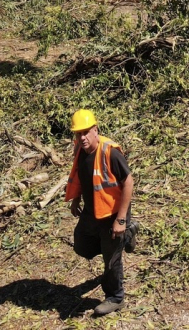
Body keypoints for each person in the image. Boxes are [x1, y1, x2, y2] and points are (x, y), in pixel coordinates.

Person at [64, 109, 136, 317]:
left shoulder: (109, 152)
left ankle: (115, 297)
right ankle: (127, 235)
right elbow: (81, 176)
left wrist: (121, 219)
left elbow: (128, 182)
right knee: (82, 246)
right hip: (92, 210)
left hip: (113, 213)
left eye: (86, 132)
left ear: (96, 130)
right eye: (78, 134)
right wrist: (76, 199)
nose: (82, 137)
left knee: (111, 259)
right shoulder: (81, 150)